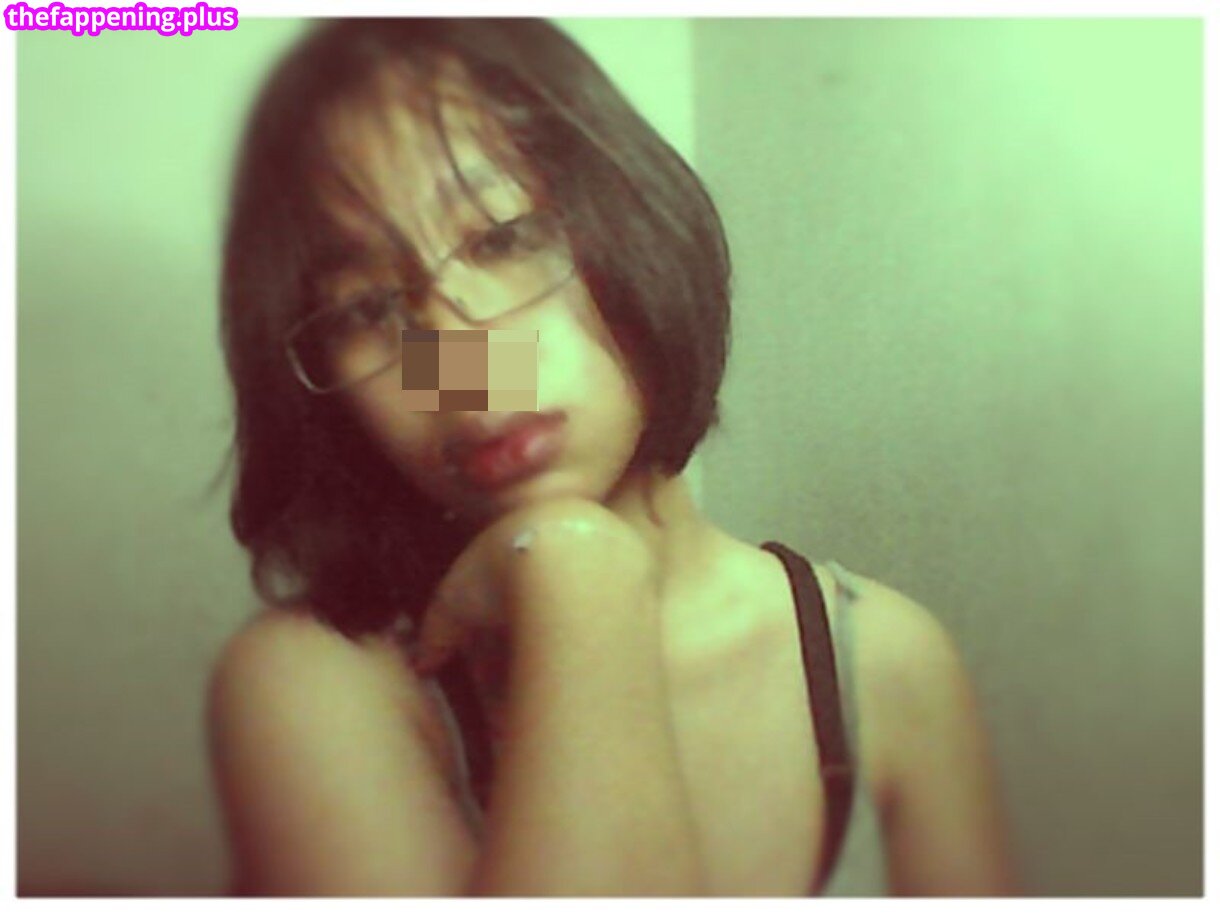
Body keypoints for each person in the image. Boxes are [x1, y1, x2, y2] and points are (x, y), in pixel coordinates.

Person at [205, 18, 1021, 897]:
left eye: (503, 238)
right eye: (367, 309)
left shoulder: (886, 662)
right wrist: (579, 577)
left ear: (636, 220)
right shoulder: (314, 685)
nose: (460, 367)